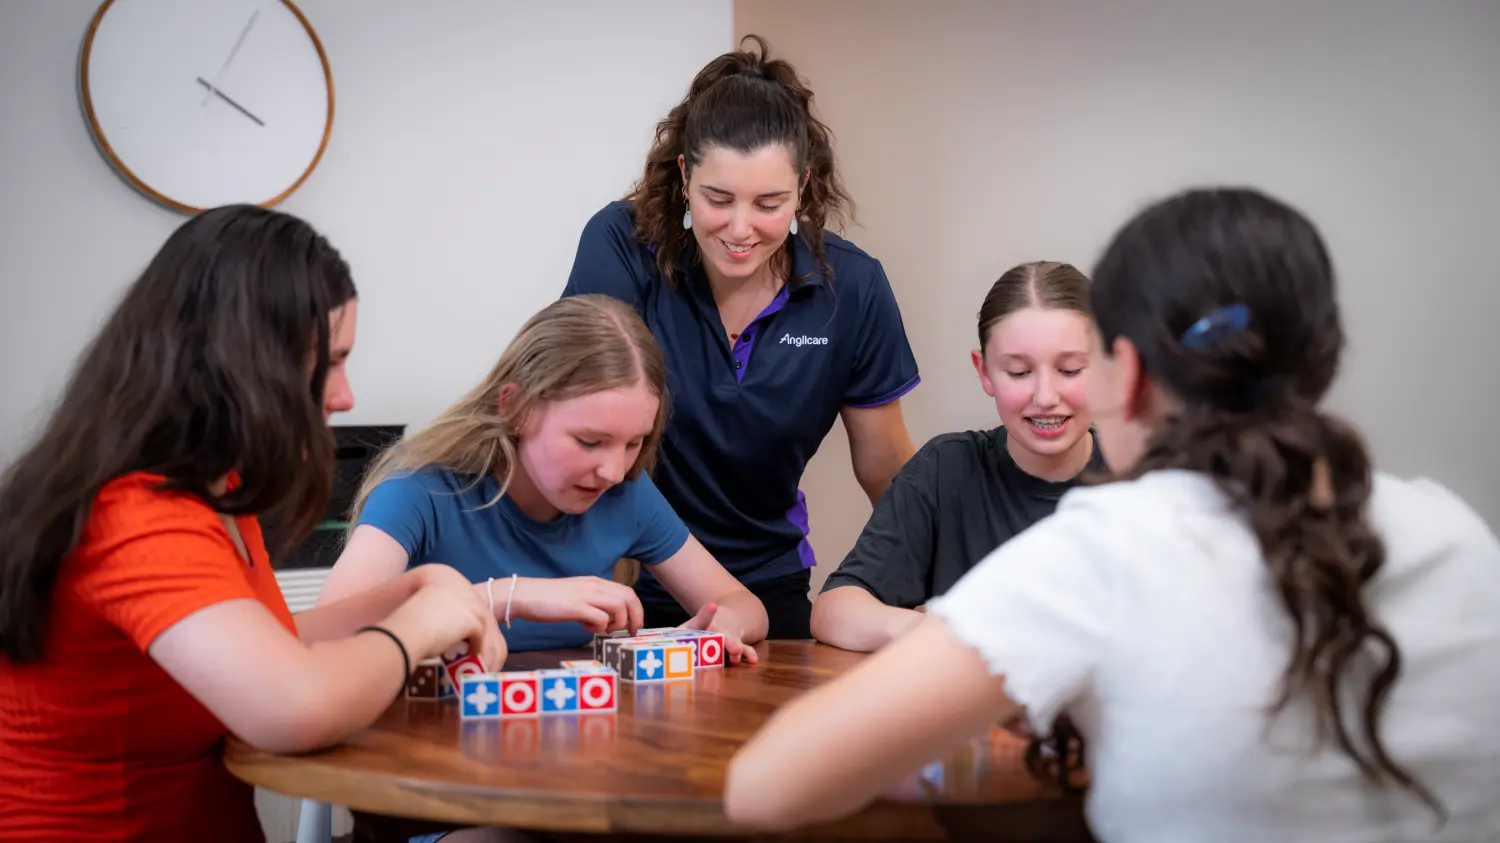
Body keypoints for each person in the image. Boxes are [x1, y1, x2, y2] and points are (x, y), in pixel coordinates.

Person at [723, 187, 1500, 841]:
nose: (1050, 392)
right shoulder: (1459, 535)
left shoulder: (1106, 551)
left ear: (1119, 371)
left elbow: (765, 786)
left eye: (1074, 366)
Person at [0, 206, 506, 842]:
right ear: (246, 362)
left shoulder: (218, 490)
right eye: (331, 362)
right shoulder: (136, 515)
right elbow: (293, 705)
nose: (344, 396)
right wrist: (420, 623)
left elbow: (265, 643)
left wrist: (411, 590)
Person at [562, 35, 920, 639]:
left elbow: (885, 467)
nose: (740, 228)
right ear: (684, 176)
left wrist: (939, 586)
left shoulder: (852, 288)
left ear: (803, 187)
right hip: (624, 582)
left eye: (768, 203)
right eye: (719, 198)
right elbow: (589, 427)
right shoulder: (622, 246)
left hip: (767, 588)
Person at [317, 294, 768, 662]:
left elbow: (745, 606)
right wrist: (510, 596)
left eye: (634, 443)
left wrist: (723, 626)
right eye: (589, 441)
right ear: (514, 407)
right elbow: (327, 630)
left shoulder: (626, 493)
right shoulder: (419, 488)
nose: (613, 471)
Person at [812, 261, 1108, 653]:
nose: (1045, 396)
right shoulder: (945, 470)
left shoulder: (1146, 479)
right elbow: (835, 609)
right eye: (1019, 372)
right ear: (984, 372)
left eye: (1070, 370)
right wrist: (937, 633)